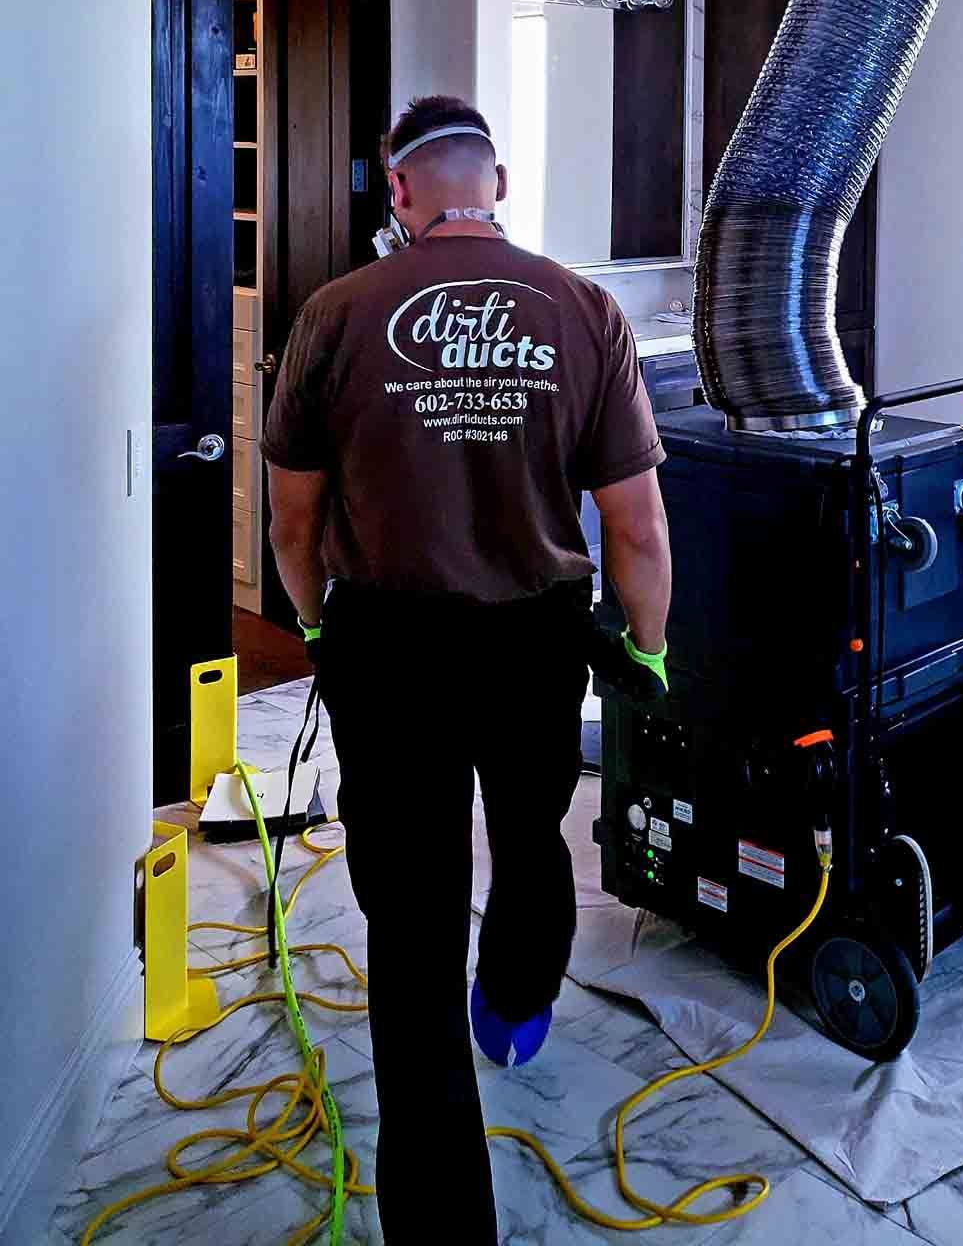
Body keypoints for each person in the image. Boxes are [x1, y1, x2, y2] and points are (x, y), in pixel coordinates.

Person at [262, 93, 672, 1243]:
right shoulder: (585, 309)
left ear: (399, 192)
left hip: (389, 641)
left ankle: (443, 1222)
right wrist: (646, 644)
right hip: (535, 634)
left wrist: (313, 623)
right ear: (496, 181)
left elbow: (292, 523)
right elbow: (636, 526)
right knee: (534, 827)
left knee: (412, 909)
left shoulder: (336, 312)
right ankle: (518, 997)